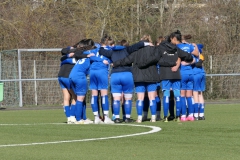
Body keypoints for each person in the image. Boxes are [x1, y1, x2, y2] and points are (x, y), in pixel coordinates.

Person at [136, 30, 193, 122]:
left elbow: (157, 60)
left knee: (166, 94)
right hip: (176, 74)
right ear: (173, 39)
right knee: (177, 95)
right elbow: (189, 57)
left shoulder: (161, 48)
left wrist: (142, 64)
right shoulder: (176, 49)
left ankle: (166, 117)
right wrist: (178, 61)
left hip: (165, 73)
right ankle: (178, 116)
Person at [99, 38, 149, 123]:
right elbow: (137, 45)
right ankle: (127, 118)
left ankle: (117, 118)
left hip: (115, 75)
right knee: (128, 98)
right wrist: (146, 44)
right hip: (127, 75)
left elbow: (101, 51)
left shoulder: (112, 52)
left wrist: (102, 46)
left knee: (116, 98)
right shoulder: (127, 50)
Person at [113, 35, 158, 123]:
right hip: (152, 76)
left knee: (140, 98)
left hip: (139, 77)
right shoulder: (154, 50)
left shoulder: (136, 51)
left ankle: (140, 118)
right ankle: (153, 118)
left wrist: (115, 63)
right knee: (152, 97)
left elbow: (127, 60)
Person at [69, 39, 104, 124]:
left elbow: (76, 53)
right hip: (80, 76)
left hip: (71, 75)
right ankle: (78, 119)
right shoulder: (91, 55)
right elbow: (98, 59)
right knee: (80, 99)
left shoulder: (83, 53)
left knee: (78, 98)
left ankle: (77, 118)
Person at [58, 41, 94, 124]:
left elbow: (62, 56)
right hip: (68, 76)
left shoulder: (68, 54)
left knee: (66, 97)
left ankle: (69, 118)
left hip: (60, 75)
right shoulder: (78, 54)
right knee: (76, 97)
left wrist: (67, 55)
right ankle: (74, 117)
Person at [88, 35, 114, 124]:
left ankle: (96, 118)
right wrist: (104, 61)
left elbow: (90, 56)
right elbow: (112, 60)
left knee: (94, 95)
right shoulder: (109, 50)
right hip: (102, 71)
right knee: (104, 95)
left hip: (92, 72)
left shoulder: (95, 49)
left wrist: (98, 59)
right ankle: (106, 118)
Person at [176, 34, 199, 121]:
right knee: (189, 96)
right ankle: (191, 115)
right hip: (191, 73)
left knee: (182, 96)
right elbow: (196, 57)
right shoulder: (189, 46)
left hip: (182, 73)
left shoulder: (178, 46)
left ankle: (183, 116)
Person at [193, 44, 206, 120]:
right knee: (200, 94)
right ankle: (201, 114)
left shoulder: (193, 55)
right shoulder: (201, 55)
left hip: (195, 74)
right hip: (202, 73)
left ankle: (196, 114)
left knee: (195, 93)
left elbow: (196, 63)